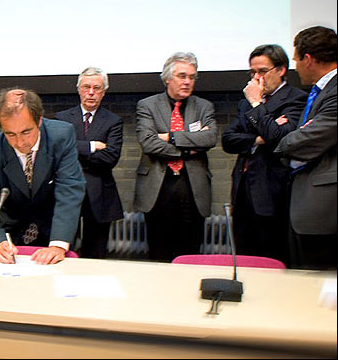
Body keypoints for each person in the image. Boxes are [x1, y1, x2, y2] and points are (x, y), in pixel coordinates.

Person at [0, 88, 85, 265]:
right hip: (13, 235)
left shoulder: (61, 136)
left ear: (39, 120)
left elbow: (69, 191)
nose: (19, 142)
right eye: (10, 134)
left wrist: (58, 244)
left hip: (55, 228)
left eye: (26, 132)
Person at [222, 44, 307, 265]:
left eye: (262, 71)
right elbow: (229, 140)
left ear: (280, 70)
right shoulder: (244, 103)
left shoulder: (296, 99)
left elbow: (280, 138)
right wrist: (259, 139)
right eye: (252, 72)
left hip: (272, 191)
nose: (256, 78)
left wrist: (257, 103)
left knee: (271, 260)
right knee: (243, 260)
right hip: (242, 191)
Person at [133, 52, 217, 262]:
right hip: (159, 187)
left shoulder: (204, 106)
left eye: (192, 77)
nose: (188, 82)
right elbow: (149, 143)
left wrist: (169, 137)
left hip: (193, 188)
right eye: (182, 76)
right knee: (158, 252)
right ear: (168, 78)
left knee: (190, 254)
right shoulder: (147, 105)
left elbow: (209, 138)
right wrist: (190, 147)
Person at [274, 26, 337, 270]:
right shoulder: (319, 92)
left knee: (319, 286)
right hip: (307, 207)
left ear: (308, 59)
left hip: (324, 212)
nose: (296, 66)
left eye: (297, 59)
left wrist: (284, 143)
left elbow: (305, 140)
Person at [54, 67, 123, 259]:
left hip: (100, 194)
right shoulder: (63, 118)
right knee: (64, 251)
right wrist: (91, 147)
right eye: (86, 87)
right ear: (78, 89)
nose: (91, 92)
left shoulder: (113, 121)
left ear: (103, 92)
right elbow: (58, 151)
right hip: (67, 193)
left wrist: (74, 150)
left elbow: (110, 158)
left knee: (96, 255)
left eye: (96, 88)